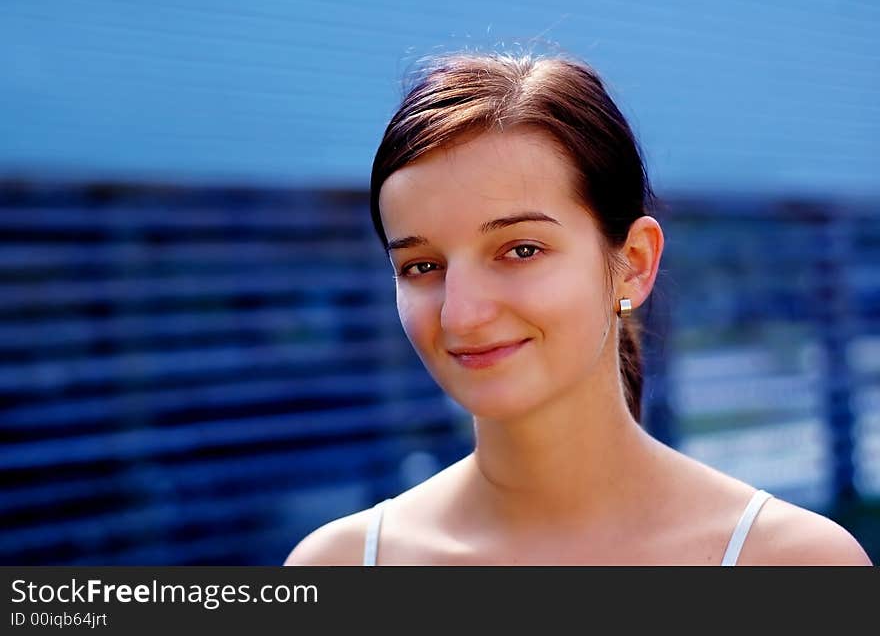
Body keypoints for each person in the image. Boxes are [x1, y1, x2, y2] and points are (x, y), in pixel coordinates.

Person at [285, 51, 872, 566]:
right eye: (421, 266)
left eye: (520, 250)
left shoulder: (786, 566)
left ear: (635, 262)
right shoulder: (339, 566)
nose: (460, 316)